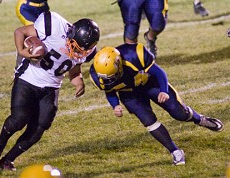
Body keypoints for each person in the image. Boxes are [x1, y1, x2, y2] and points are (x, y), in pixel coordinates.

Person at [0, 11, 100, 171]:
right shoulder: (53, 26)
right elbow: (20, 32)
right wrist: (22, 51)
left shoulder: (86, 49)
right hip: (29, 78)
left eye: (80, 51)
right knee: (19, 119)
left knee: (39, 128)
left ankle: (9, 159)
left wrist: (78, 82)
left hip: (52, 86)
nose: (76, 52)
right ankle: (0, 142)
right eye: (75, 47)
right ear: (71, 34)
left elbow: (74, 68)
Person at [89, 44, 224, 165]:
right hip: (130, 93)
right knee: (149, 121)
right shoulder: (98, 75)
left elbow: (159, 72)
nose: (107, 79)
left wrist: (164, 91)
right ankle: (175, 151)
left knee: (179, 113)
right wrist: (115, 105)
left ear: (118, 64)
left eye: (110, 76)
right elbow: (109, 90)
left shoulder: (134, 54)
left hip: (150, 83)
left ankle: (199, 119)